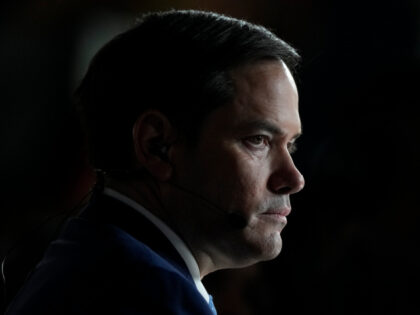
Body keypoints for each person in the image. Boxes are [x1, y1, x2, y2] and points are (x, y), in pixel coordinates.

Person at [5, 9, 305, 314]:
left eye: (290, 145)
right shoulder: (152, 296)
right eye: (258, 140)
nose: (294, 178)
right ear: (157, 146)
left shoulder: (92, 259)